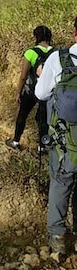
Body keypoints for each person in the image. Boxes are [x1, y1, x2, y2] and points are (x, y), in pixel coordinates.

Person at [35, 17, 77, 255]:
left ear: (74, 33)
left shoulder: (57, 58)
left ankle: (58, 235)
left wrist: (43, 74)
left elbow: (41, 94)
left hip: (64, 142)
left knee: (61, 182)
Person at [6, 25, 53, 151]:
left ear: (36, 37)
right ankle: (42, 146)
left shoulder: (30, 52)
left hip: (32, 90)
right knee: (43, 118)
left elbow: (23, 76)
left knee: (23, 114)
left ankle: (15, 141)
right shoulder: (55, 52)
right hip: (47, 91)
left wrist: (18, 92)